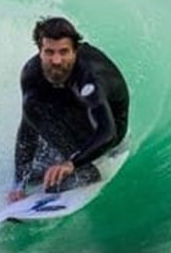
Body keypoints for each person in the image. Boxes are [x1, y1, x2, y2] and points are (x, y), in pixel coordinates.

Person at [7, 17, 129, 202]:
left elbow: (108, 132)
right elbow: (28, 127)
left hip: (110, 126)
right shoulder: (31, 74)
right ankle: (61, 162)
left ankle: (86, 172)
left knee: (56, 174)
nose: (56, 60)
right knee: (32, 172)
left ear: (75, 51)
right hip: (71, 110)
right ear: (40, 52)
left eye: (64, 52)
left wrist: (71, 164)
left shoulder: (89, 76)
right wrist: (18, 184)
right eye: (49, 52)